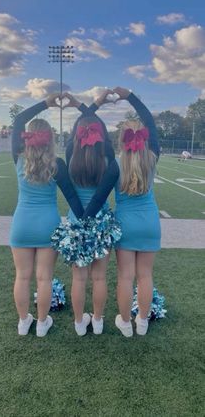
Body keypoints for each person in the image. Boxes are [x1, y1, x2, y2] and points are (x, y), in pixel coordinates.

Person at [10, 93, 84, 337]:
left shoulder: (19, 158)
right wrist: (86, 217)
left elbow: (19, 119)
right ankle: (42, 323)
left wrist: (45, 103)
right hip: (48, 225)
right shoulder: (57, 164)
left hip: (22, 223)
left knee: (22, 277)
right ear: (50, 139)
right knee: (44, 278)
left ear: (27, 138)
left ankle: (23, 322)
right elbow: (73, 197)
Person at [62, 90, 119, 336]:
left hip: (76, 223)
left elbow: (81, 127)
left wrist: (84, 107)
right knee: (99, 278)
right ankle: (97, 321)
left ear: (77, 134)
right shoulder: (107, 157)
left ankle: (78, 323)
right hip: (101, 223)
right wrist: (95, 105)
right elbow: (103, 133)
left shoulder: (70, 155)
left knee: (79, 279)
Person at [112, 87, 161, 337]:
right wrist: (130, 95)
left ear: (121, 140)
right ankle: (142, 322)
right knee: (145, 276)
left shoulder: (115, 163)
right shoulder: (152, 157)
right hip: (150, 222)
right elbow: (150, 121)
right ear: (143, 138)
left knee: (125, 277)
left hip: (125, 224)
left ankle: (125, 322)